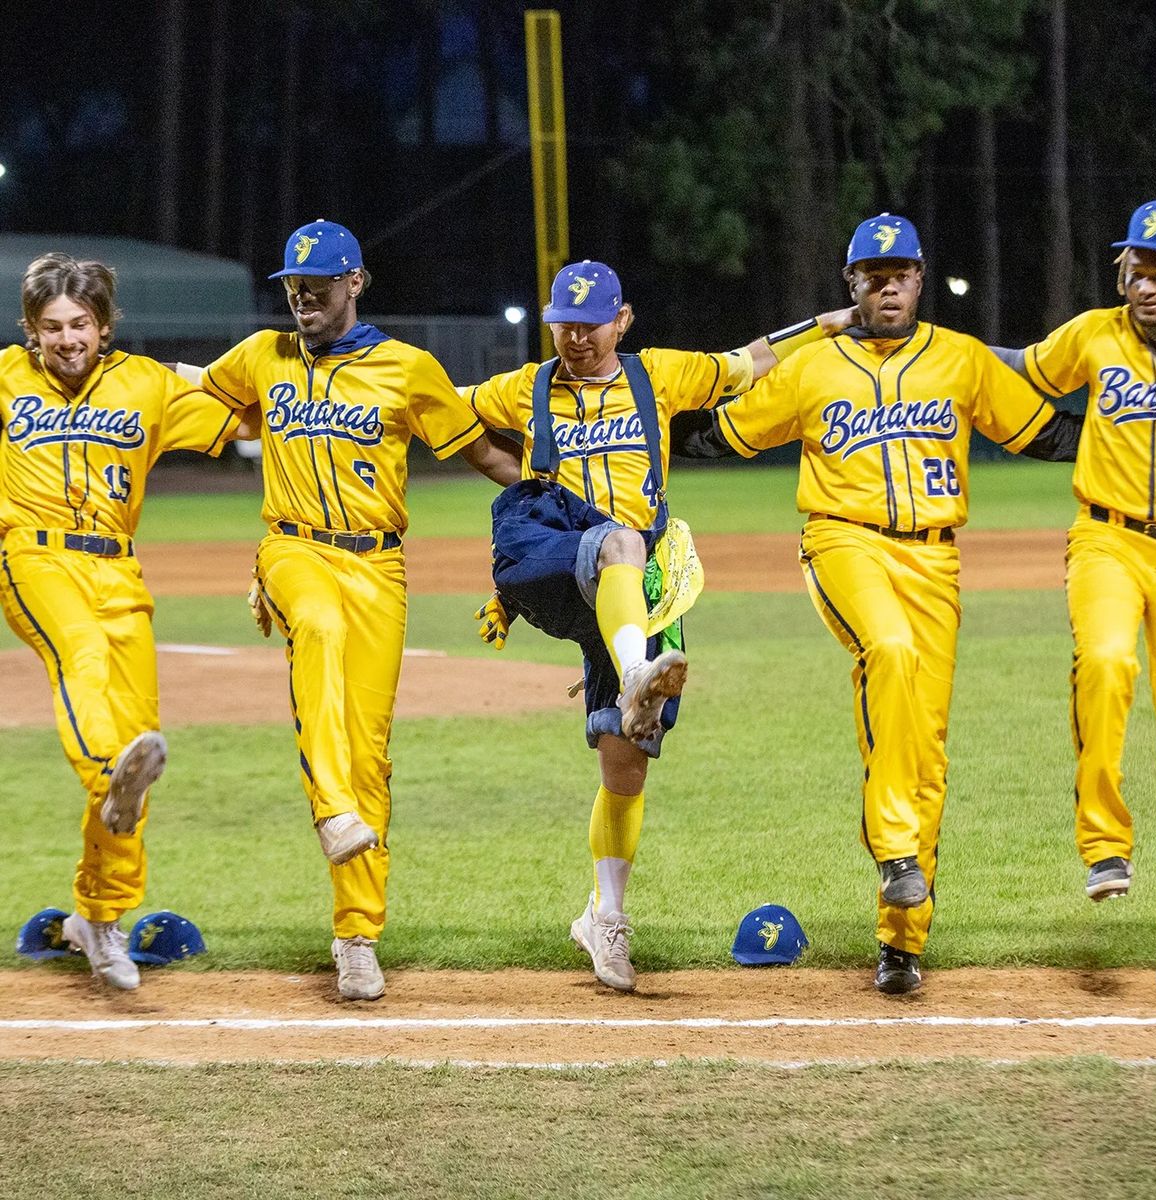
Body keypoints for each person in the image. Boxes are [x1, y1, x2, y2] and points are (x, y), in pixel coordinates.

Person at [677, 215, 1081, 995]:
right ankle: (895, 847)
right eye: (872, 274)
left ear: (921, 279)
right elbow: (722, 435)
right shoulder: (814, 367)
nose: (887, 284)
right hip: (843, 544)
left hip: (935, 561)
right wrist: (642, 426)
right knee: (886, 648)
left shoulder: (959, 360)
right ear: (850, 285)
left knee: (924, 755)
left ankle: (901, 941)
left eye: (900, 272)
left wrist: (1148, 424)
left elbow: (1045, 434)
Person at [465, 259, 859, 991]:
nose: (575, 337)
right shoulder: (525, 387)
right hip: (575, 553)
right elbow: (446, 414)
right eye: (562, 322)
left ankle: (603, 916)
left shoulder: (662, 377)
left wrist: (830, 324)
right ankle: (632, 668)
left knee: (628, 758)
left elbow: (747, 363)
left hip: (644, 583)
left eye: (590, 323)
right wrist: (511, 477)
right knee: (613, 542)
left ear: (623, 320)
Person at [194, 220, 520, 1001]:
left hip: (377, 565)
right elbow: (192, 403)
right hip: (292, 548)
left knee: (370, 751)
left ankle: (356, 935)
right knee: (319, 628)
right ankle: (332, 810)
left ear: (356, 283)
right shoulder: (260, 357)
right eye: (293, 284)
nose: (303, 294)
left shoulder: (408, 369)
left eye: (319, 281)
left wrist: (563, 502)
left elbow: (483, 454)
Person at [0, 252, 246, 990]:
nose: (67, 338)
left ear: (104, 327)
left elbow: (244, 413)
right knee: (81, 662)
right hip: (32, 558)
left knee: (141, 741)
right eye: (52, 327)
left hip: (120, 570)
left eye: (80, 324)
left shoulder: (147, 385)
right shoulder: (6, 378)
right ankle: (111, 775)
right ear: (30, 331)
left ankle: (98, 920)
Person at [993, 198, 1156, 990]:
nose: (1144, 285)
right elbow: (1024, 368)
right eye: (1135, 270)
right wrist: (950, 352)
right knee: (1108, 662)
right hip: (1108, 538)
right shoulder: (1093, 334)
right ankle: (1104, 840)